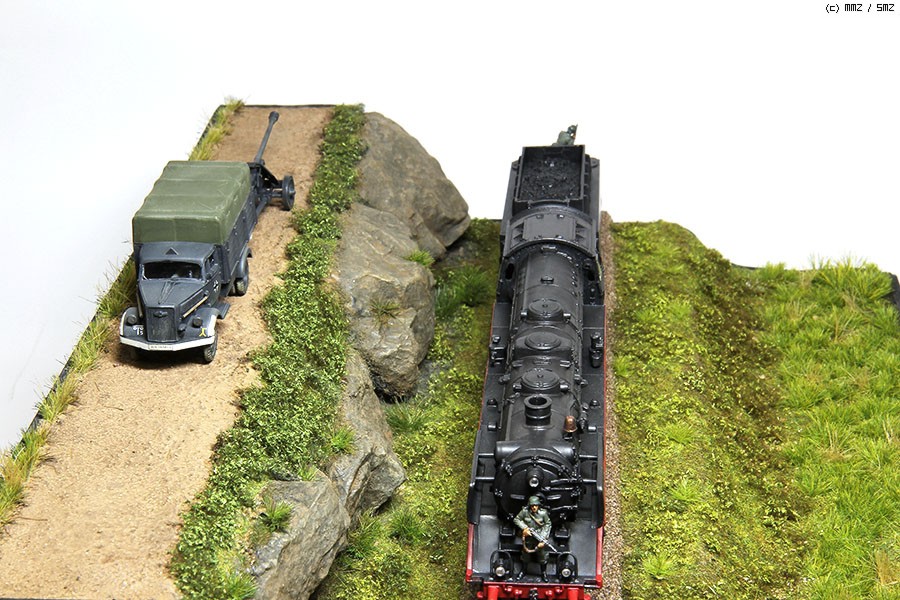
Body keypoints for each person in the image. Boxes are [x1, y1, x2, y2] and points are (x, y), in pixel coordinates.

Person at [513, 495, 552, 581]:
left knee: (542, 556)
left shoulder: (543, 513)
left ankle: (543, 572)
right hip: (528, 539)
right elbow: (517, 519)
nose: (534, 507)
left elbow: (548, 524)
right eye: (532, 506)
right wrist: (525, 528)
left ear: (538, 506)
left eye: (536, 505)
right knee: (525, 555)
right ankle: (523, 570)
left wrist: (543, 538)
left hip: (539, 538)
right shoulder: (525, 512)